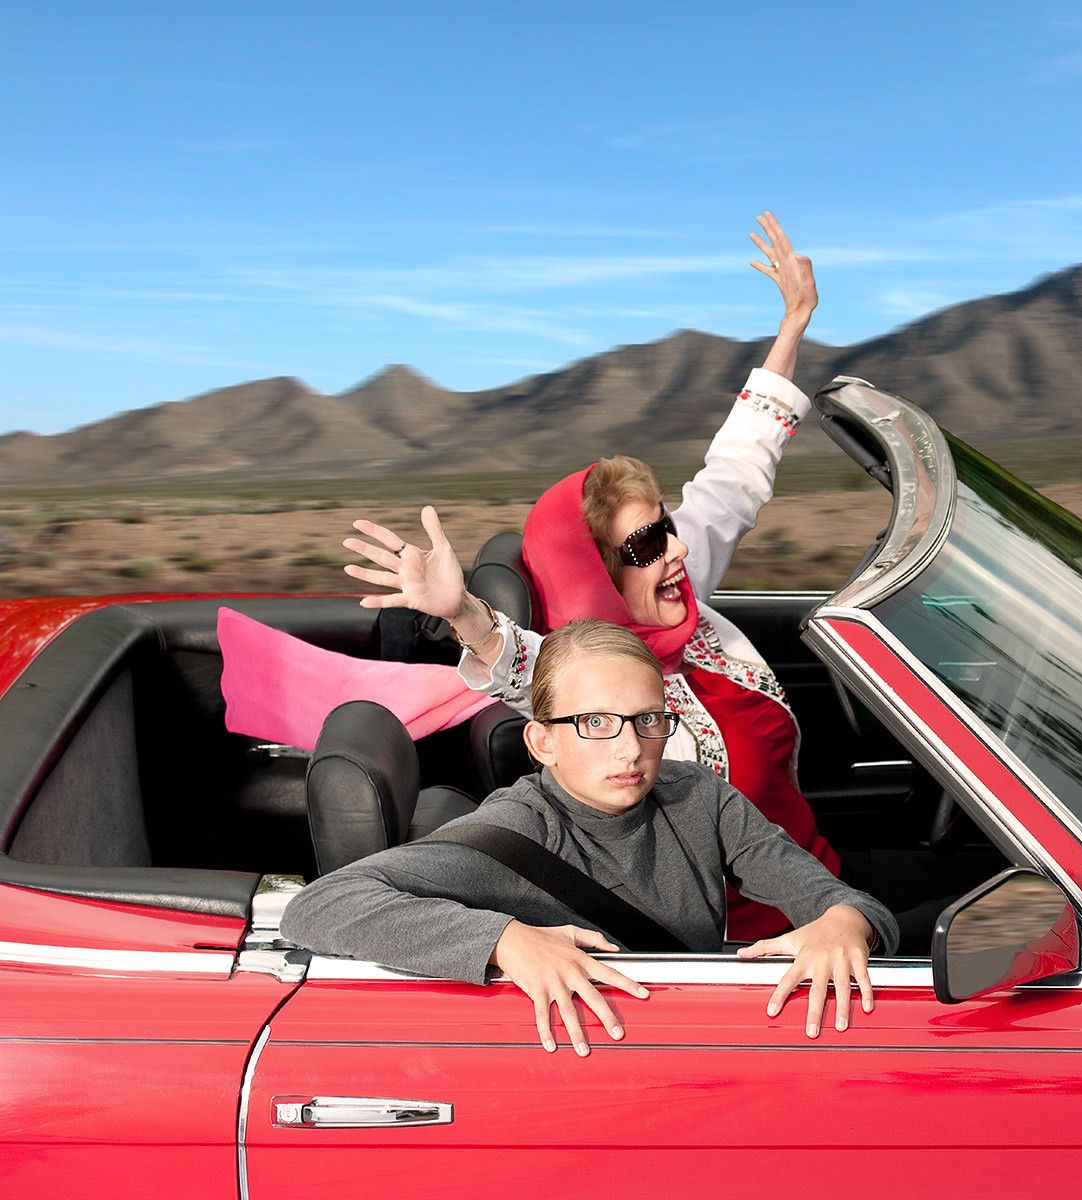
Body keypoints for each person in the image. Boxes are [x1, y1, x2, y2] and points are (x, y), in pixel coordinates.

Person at [343, 211, 831, 940]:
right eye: (644, 548)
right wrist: (463, 615)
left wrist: (794, 322)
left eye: (665, 527)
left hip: (817, 887)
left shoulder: (670, 579)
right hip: (746, 947)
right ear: (596, 579)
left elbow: (738, 466)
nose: (676, 553)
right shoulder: (599, 679)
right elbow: (519, 661)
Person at [281, 619, 897, 1051]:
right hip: (592, 1057)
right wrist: (506, 941)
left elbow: (834, 899)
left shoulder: (698, 795)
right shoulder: (514, 829)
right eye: (596, 723)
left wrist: (846, 923)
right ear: (542, 741)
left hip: (696, 1035)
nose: (631, 749)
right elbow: (320, 904)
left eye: (647, 720)